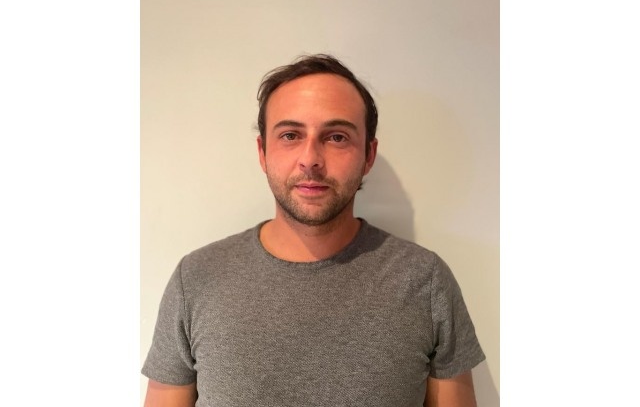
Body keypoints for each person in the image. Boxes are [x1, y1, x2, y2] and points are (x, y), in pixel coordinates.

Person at [142, 54, 485, 407]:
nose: (310, 159)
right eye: (290, 135)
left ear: (368, 155)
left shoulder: (425, 281)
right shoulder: (196, 279)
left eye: (336, 137)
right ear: (263, 152)